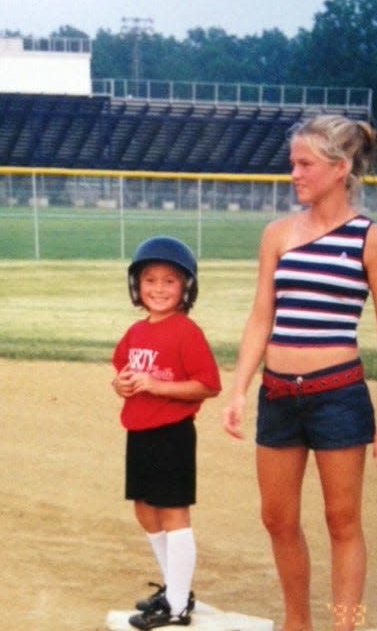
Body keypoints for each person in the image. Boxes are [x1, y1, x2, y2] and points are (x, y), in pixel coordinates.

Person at [222, 114, 377, 631]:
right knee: (276, 518)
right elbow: (261, 316)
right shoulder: (276, 235)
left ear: (341, 167)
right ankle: (296, 622)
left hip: (337, 395)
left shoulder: (372, 240)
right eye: (292, 163)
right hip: (278, 395)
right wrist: (238, 390)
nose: (294, 174)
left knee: (342, 521)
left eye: (305, 164)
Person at [112, 236, 221, 629]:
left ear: (185, 288)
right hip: (139, 432)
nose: (158, 289)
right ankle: (178, 587)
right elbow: (123, 372)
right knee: (145, 510)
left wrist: (157, 386)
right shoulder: (136, 332)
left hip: (172, 434)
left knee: (173, 514)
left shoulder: (185, 332)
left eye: (170, 281)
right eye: (150, 280)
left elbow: (208, 384)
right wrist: (121, 386)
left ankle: (176, 606)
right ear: (136, 286)